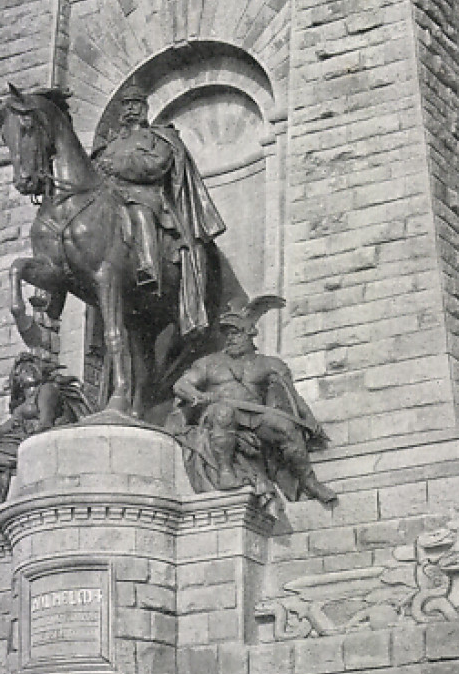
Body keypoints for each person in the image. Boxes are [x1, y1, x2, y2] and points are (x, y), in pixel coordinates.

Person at [172, 296, 338, 510]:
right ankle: (226, 473)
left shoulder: (270, 364)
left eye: (236, 333)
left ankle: (309, 482)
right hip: (218, 412)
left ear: (250, 334)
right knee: (223, 413)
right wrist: (198, 396)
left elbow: (292, 397)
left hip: (256, 415)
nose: (230, 339)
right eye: (227, 335)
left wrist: (310, 421)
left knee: (286, 428)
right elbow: (181, 385)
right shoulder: (208, 363)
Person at [91, 78, 225, 335]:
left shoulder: (158, 137)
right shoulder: (110, 144)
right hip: (110, 197)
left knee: (140, 214)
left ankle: (148, 266)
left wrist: (119, 166)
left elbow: (157, 165)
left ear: (145, 108)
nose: (130, 109)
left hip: (146, 195)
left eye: (135, 104)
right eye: (126, 105)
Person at [0, 353, 91, 566]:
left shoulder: (47, 390)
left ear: (39, 369)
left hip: (32, 441)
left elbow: (46, 421)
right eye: (19, 370)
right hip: (16, 442)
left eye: (29, 367)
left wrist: (32, 441)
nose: (24, 372)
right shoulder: (24, 404)